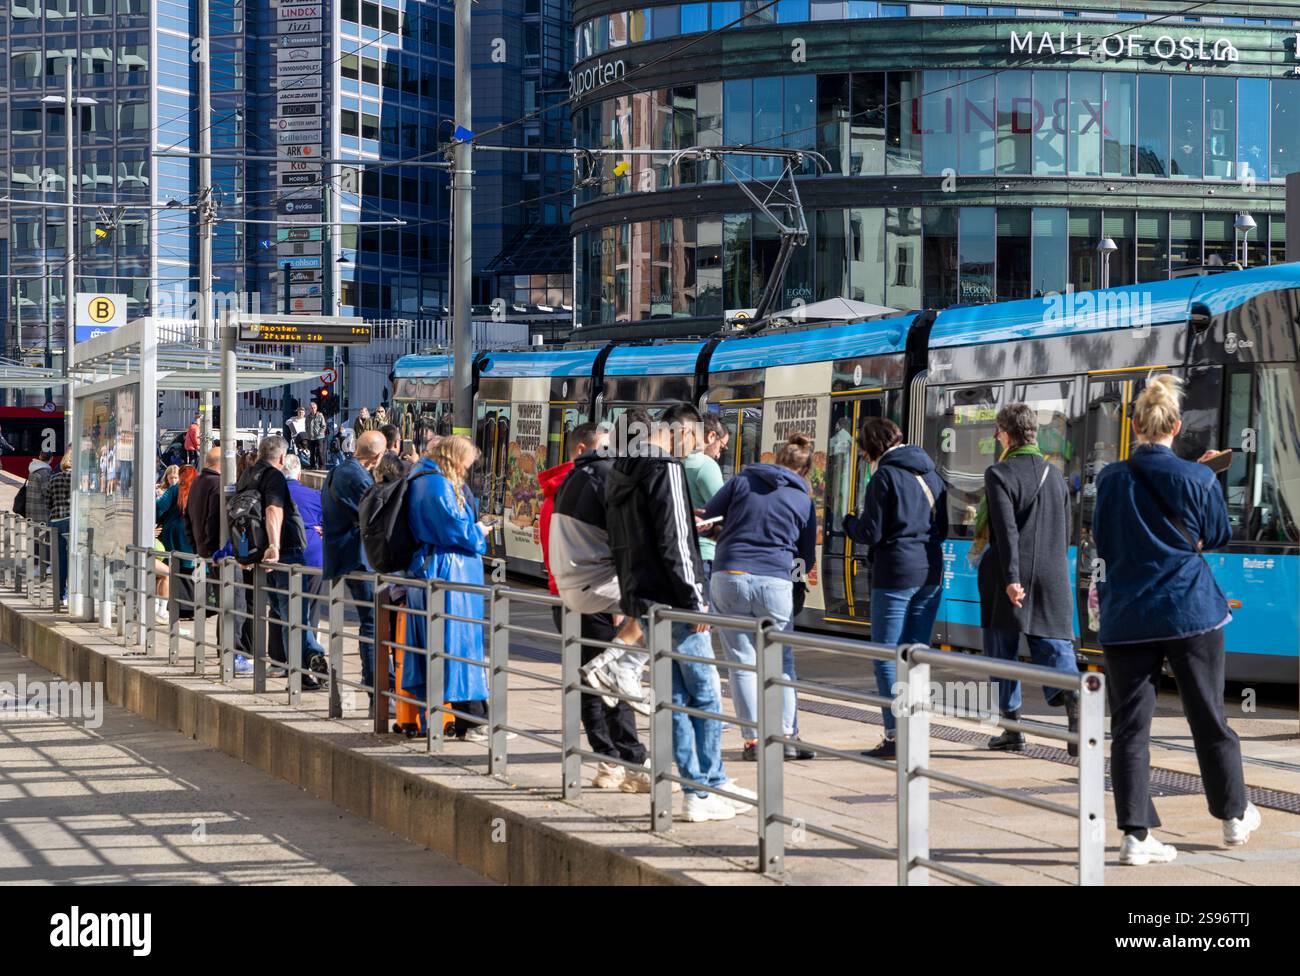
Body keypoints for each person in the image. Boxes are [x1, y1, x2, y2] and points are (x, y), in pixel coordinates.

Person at [1093, 374, 1259, 865]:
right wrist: (1203, 478)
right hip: (1190, 613)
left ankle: (1135, 837)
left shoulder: (1110, 478)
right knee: (1209, 716)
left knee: (1130, 729)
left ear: (1137, 427)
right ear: (1176, 426)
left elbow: (1104, 538)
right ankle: (1232, 816)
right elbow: (1217, 534)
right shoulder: (1199, 477)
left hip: (1126, 616)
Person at [606, 401, 754, 823]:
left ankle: (695, 789)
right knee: (704, 695)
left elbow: (645, 535)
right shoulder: (665, 468)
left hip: (644, 599)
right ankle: (706, 787)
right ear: (685, 434)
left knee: (675, 698)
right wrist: (697, 600)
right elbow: (676, 547)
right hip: (675, 602)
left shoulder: (623, 469)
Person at [545, 420, 650, 791]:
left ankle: (610, 763)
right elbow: (622, 540)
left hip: (568, 595)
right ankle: (630, 763)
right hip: (597, 598)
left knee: (590, 681)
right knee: (609, 679)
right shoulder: (599, 481)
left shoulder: (561, 487)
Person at [705, 433, 818, 762]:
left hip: (730, 575)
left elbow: (709, 515)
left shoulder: (742, 481)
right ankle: (784, 736)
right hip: (775, 581)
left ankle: (754, 741)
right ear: (806, 469)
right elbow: (806, 558)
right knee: (781, 664)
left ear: (778, 457)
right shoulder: (803, 500)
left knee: (741, 664)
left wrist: (729, 529)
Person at [973, 403, 1080, 754]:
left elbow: (1005, 533)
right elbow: (1065, 530)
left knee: (1001, 651)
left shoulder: (1000, 474)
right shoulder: (1056, 476)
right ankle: (1071, 698)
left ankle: (1012, 728)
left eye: (998, 431)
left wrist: (1012, 579)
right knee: (1052, 643)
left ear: (1006, 434)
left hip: (1007, 573)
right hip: (1051, 571)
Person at [843, 418, 947, 760]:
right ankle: (915, 731)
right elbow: (943, 528)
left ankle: (895, 735)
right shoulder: (932, 473)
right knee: (915, 655)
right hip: (930, 571)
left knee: (887, 654)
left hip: (896, 572)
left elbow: (870, 532)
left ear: (872, 447)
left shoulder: (884, 476)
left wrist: (849, 523)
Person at [403, 435, 492, 739]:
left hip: (435, 570)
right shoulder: (437, 485)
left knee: (442, 645)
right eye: (466, 464)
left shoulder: (423, 478)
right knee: (456, 645)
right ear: (455, 459)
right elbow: (457, 530)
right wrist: (479, 532)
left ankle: (459, 717)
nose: (467, 471)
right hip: (449, 574)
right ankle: (464, 719)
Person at [236, 435, 324, 690]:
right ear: (282, 458)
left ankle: (302, 674)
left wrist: (245, 552)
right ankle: (312, 655)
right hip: (284, 552)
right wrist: (274, 545)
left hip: (258, 554)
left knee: (287, 615)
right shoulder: (274, 477)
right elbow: (273, 510)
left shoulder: (247, 475)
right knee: (295, 613)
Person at [323, 428, 387, 706]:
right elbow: (375, 515)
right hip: (358, 558)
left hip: (345, 556)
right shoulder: (358, 477)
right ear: (377, 456)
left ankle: (374, 684)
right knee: (373, 622)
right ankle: (376, 689)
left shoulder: (340, 470)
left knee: (371, 621)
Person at [283, 453, 327, 672]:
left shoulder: (273, 495)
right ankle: (311, 652)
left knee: (285, 609)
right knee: (312, 609)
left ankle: (290, 660)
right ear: (299, 473)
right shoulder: (314, 495)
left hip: (283, 558)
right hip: (314, 558)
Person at [187, 447, 223, 559]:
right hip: (215, 552)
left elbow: (187, 516)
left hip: (201, 549)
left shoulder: (196, 481)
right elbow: (213, 517)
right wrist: (211, 549)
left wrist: (195, 546)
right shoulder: (218, 483)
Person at [48, 453, 71, 601]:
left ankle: (61, 595)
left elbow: (48, 501)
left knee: (60, 560)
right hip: (70, 521)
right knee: (74, 559)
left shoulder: (53, 478)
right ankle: (74, 595)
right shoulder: (76, 479)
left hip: (56, 521)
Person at [306, 401, 328, 469]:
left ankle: (322, 465)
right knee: (312, 452)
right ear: (309, 409)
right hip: (311, 437)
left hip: (319, 437)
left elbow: (323, 426)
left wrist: (320, 433)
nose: (313, 409)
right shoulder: (308, 417)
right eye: (311, 408)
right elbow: (306, 426)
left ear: (316, 408)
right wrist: (308, 433)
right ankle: (312, 465)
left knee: (320, 452)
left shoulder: (320, 415)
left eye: (314, 408)